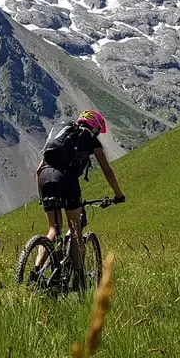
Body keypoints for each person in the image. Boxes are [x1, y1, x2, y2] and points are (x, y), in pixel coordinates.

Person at [34, 110, 125, 280]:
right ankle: (78, 276)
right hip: (66, 178)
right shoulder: (90, 139)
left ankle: (36, 269)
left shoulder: (61, 137)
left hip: (45, 178)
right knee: (75, 228)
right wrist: (118, 194)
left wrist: (42, 197)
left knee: (53, 229)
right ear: (96, 127)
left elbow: (38, 170)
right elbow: (107, 170)